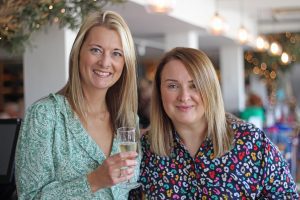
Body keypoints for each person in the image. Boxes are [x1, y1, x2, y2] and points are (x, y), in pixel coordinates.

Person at [136, 47, 299, 199]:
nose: (184, 96)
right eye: (172, 86)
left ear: (210, 89)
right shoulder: (145, 150)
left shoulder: (250, 142)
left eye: (194, 86)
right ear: (159, 92)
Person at [15, 10, 140, 199]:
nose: (105, 62)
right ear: (78, 53)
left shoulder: (129, 119)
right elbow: (29, 197)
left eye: (116, 53)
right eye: (96, 50)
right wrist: (94, 180)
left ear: (125, 63)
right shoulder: (44, 115)